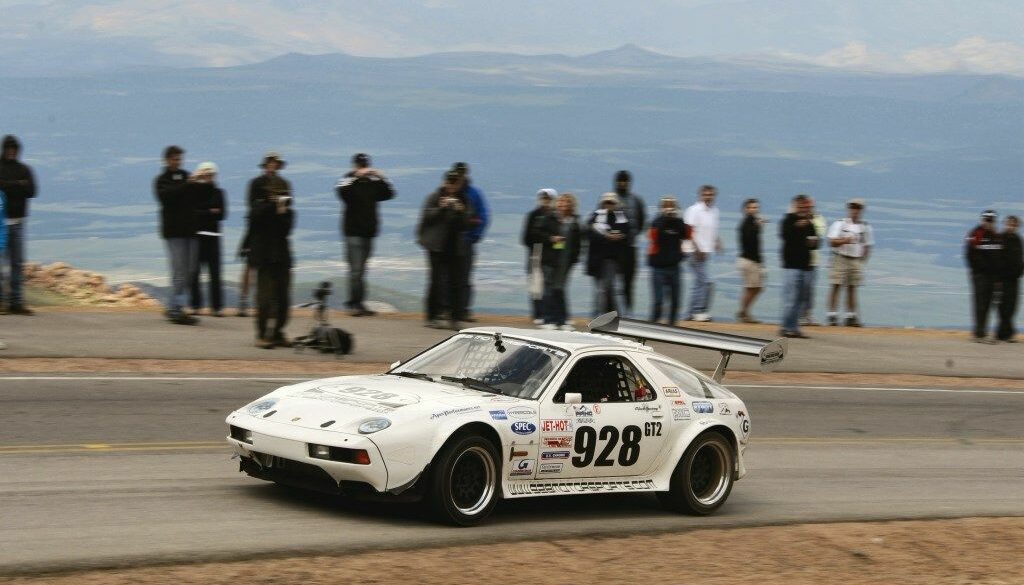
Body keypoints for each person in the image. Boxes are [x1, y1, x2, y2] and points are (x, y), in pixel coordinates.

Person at [336, 153, 396, 317]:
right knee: (356, 271)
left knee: (361, 271)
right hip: (353, 232)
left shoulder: (373, 182)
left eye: (365, 165)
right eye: (360, 165)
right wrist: (355, 176)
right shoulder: (348, 180)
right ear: (355, 166)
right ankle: (353, 304)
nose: (363, 168)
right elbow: (340, 190)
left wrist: (382, 177)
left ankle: (359, 303)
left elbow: (390, 193)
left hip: (368, 232)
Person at [417, 170, 475, 330]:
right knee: (436, 281)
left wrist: (460, 210)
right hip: (436, 246)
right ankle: (432, 315)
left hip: (455, 247)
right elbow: (427, 217)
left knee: (456, 282)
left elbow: (468, 223)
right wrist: (441, 208)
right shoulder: (435, 197)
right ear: (445, 182)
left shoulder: (464, 200)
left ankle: (455, 317)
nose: (452, 186)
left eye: (455, 183)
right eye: (450, 182)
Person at [247, 152, 294, 348]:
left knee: (283, 298)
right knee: (264, 298)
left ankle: (277, 332)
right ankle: (261, 334)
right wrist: (270, 205)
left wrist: (281, 210)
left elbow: (287, 227)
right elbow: (254, 216)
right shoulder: (256, 187)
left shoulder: (286, 205)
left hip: (281, 253)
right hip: (264, 252)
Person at [154, 145, 199, 325]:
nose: (177, 162)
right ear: (166, 160)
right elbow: (167, 197)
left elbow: (196, 198)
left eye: (179, 159)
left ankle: (174, 305)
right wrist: (188, 184)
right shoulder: (161, 180)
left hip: (190, 230)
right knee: (179, 271)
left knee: (190, 271)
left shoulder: (187, 176)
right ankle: (177, 309)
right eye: (174, 159)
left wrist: (201, 183)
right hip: (174, 232)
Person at [0, 135, 38, 315]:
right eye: (8, 149)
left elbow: (32, 191)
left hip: (18, 223)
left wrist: (8, 185)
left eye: (13, 149)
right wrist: (18, 185)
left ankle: (16, 302)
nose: (11, 152)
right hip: (1, 224)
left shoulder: (24, 169)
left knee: (17, 263)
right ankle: (1, 302)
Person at [534, 192, 581, 330]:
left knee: (559, 289)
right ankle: (548, 319)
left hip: (565, 261)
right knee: (549, 288)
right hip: (549, 259)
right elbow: (536, 233)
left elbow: (578, 242)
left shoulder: (574, 222)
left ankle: (562, 320)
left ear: (571, 205)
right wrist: (551, 238)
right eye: (560, 201)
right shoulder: (549, 218)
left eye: (566, 202)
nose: (562, 204)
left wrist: (575, 258)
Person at [826, 199, 874, 327]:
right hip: (840, 257)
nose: (855, 211)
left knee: (852, 287)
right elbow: (831, 242)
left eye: (858, 208)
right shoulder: (840, 224)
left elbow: (868, 245)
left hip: (855, 259)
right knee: (836, 285)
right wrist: (844, 241)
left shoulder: (865, 227)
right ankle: (832, 315)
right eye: (853, 208)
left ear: (861, 210)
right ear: (849, 209)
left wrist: (862, 260)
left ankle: (851, 316)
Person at [451, 162, 488, 322]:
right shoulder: (449, 191)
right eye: (458, 172)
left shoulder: (474, 193)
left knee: (464, 278)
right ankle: (448, 309)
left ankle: (463, 310)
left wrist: (475, 236)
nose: (460, 175)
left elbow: (483, 216)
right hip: (449, 242)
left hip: (466, 241)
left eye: (462, 173)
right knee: (448, 276)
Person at [188, 162, 227, 317]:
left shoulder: (219, 192)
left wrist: (203, 211)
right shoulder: (194, 193)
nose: (209, 177)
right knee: (195, 273)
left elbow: (222, 214)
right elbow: (193, 213)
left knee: (215, 274)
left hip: (213, 237)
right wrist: (211, 211)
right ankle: (195, 305)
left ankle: (216, 307)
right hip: (197, 237)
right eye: (206, 174)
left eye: (211, 175)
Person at [779, 194, 820, 338]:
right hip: (791, 266)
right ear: (795, 207)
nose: (803, 209)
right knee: (791, 298)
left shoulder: (809, 223)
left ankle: (794, 327)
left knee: (801, 300)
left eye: (805, 206)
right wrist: (797, 226)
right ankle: (786, 327)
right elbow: (785, 236)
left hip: (806, 266)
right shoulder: (787, 220)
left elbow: (815, 242)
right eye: (800, 206)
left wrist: (813, 242)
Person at [586, 192, 631, 316]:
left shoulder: (622, 217)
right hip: (597, 258)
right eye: (607, 202)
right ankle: (608, 315)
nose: (609, 205)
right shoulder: (595, 216)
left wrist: (619, 237)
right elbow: (589, 234)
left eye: (611, 202)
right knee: (603, 289)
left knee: (607, 287)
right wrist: (606, 237)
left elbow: (627, 234)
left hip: (613, 258)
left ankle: (608, 315)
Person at [647, 196, 689, 325]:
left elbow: (687, 235)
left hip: (674, 266)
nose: (669, 209)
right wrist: (665, 218)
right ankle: (653, 324)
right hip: (658, 267)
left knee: (675, 300)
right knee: (658, 300)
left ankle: (672, 325)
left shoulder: (679, 223)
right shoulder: (656, 222)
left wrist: (677, 219)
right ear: (661, 208)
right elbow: (653, 237)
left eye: (672, 206)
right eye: (666, 206)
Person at [684, 185, 722, 322]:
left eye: (711, 194)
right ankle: (697, 311)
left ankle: (693, 312)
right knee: (704, 281)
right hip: (693, 251)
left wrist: (717, 242)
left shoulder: (715, 211)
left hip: (706, 251)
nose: (708, 197)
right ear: (700, 195)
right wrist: (697, 249)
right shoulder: (694, 210)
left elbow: (713, 229)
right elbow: (688, 231)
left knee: (700, 282)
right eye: (705, 194)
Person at [612, 170, 646, 315]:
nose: (622, 184)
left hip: (630, 248)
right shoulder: (610, 200)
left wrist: (631, 235)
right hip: (613, 249)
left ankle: (627, 314)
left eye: (625, 181)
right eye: (620, 181)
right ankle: (613, 313)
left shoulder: (636, 201)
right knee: (612, 284)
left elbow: (642, 221)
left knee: (628, 283)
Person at [522, 189, 556, 324]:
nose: (545, 201)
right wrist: (545, 239)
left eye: (548, 199)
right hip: (535, 253)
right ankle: (537, 313)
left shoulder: (555, 216)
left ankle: (548, 313)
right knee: (534, 284)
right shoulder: (533, 215)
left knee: (548, 284)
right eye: (543, 198)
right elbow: (526, 238)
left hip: (550, 255)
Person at [736, 198, 765, 324]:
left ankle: (744, 311)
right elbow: (749, 240)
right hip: (749, 260)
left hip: (754, 260)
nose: (754, 209)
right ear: (746, 209)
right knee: (752, 288)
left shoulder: (753, 222)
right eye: (751, 207)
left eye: (755, 207)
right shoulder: (746, 223)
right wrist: (758, 227)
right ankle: (743, 312)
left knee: (756, 288)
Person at [800, 197, 826, 326]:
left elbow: (818, 237)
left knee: (809, 288)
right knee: (799, 288)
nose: (808, 209)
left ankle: (808, 314)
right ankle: (799, 315)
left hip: (813, 259)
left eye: (810, 206)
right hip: (798, 259)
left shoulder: (819, 219)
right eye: (806, 206)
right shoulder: (797, 219)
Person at [999, 215, 1022, 342]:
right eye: (1009, 224)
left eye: (1014, 225)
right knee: (1004, 306)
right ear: (1005, 225)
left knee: (1013, 306)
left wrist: (1021, 270)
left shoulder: (1018, 239)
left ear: (1017, 226)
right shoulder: (1001, 238)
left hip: (1015, 278)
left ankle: (1005, 333)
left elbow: (1020, 257)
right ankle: (1005, 334)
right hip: (1003, 278)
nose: (1011, 227)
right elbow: (997, 259)